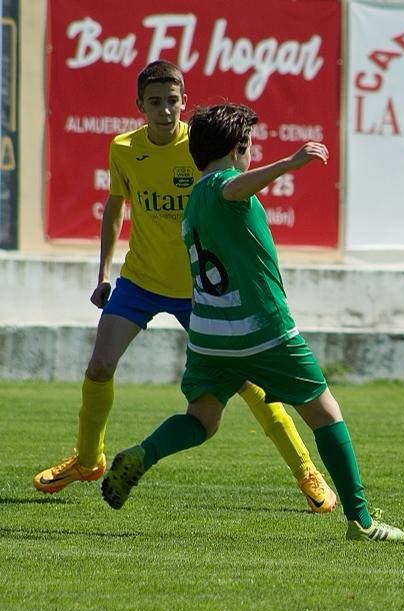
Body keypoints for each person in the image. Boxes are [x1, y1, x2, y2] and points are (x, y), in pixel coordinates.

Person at [33, 60, 338, 514]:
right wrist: (103, 273)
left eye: (173, 101)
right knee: (99, 365)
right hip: (140, 280)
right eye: (155, 102)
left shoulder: (198, 148)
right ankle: (89, 458)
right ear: (139, 106)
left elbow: (233, 195)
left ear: (184, 101)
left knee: (249, 383)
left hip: (199, 291)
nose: (165, 110)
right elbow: (116, 209)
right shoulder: (123, 148)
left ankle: (306, 471)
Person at [101, 102, 404, 541]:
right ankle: (361, 522)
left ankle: (142, 454)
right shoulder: (221, 186)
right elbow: (234, 187)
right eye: (250, 147)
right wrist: (290, 163)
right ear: (236, 148)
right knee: (326, 414)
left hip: (208, 335)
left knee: (202, 420)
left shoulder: (192, 205)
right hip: (260, 329)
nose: (253, 155)